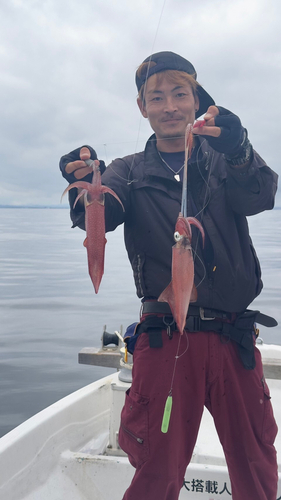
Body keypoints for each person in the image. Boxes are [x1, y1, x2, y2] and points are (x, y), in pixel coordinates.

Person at [59, 51, 278, 500]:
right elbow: (100, 215)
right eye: (156, 97)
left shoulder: (220, 162)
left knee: (256, 465)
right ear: (143, 108)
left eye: (180, 94)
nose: (170, 106)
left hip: (234, 340)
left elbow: (261, 195)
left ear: (196, 101)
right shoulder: (128, 171)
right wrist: (88, 188)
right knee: (156, 469)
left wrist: (239, 150)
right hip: (165, 341)